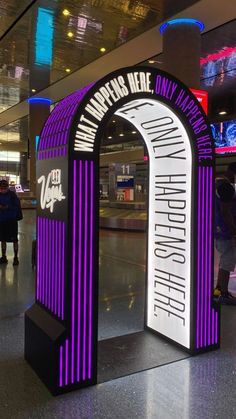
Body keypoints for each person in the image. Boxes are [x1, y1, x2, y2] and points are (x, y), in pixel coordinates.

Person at [214, 162, 236, 303]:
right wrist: (234, 231)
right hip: (226, 232)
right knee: (226, 265)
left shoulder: (216, 184)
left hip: (218, 231)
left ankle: (217, 292)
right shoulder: (226, 187)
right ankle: (223, 294)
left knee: (223, 263)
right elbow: (226, 212)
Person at [0, 179, 22, 266]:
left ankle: (16, 257)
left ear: (7, 187)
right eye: (1, 188)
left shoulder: (12, 195)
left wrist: (7, 207)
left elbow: (16, 206)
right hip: (1, 221)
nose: (2, 190)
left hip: (11, 221)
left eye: (4, 188)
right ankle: (4, 257)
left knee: (14, 240)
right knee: (2, 239)